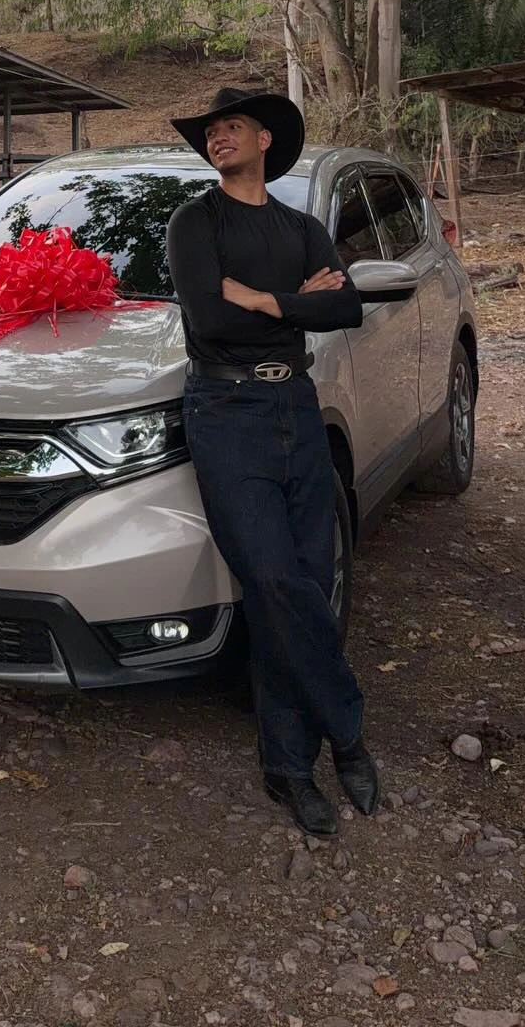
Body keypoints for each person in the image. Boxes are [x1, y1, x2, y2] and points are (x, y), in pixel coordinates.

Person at [166, 86, 380, 836]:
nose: (216, 138)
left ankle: (287, 766)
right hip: (225, 415)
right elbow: (208, 314)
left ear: (263, 140)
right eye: (209, 132)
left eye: (230, 127)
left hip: (297, 407)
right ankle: (347, 730)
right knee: (276, 578)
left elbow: (346, 306)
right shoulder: (195, 223)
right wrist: (294, 300)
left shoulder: (298, 226)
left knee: (302, 585)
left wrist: (266, 300)